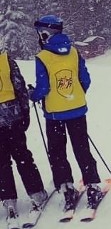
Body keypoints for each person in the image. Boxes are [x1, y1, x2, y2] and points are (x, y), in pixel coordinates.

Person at [30, 15, 104, 212]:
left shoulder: (43, 57)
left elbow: (43, 88)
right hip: (77, 110)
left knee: (57, 151)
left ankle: (67, 187)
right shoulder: (74, 52)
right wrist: (75, 96)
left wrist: (33, 95)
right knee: (81, 148)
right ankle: (93, 185)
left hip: (54, 114)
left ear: (46, 33)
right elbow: (85, 80)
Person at [0, 48, 49, 227]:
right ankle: (36, 193)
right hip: (13, 117)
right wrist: (25, 112)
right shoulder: (6, 60)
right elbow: (19, 87)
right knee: (22, 157)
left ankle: (9, 199)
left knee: (2, 162)